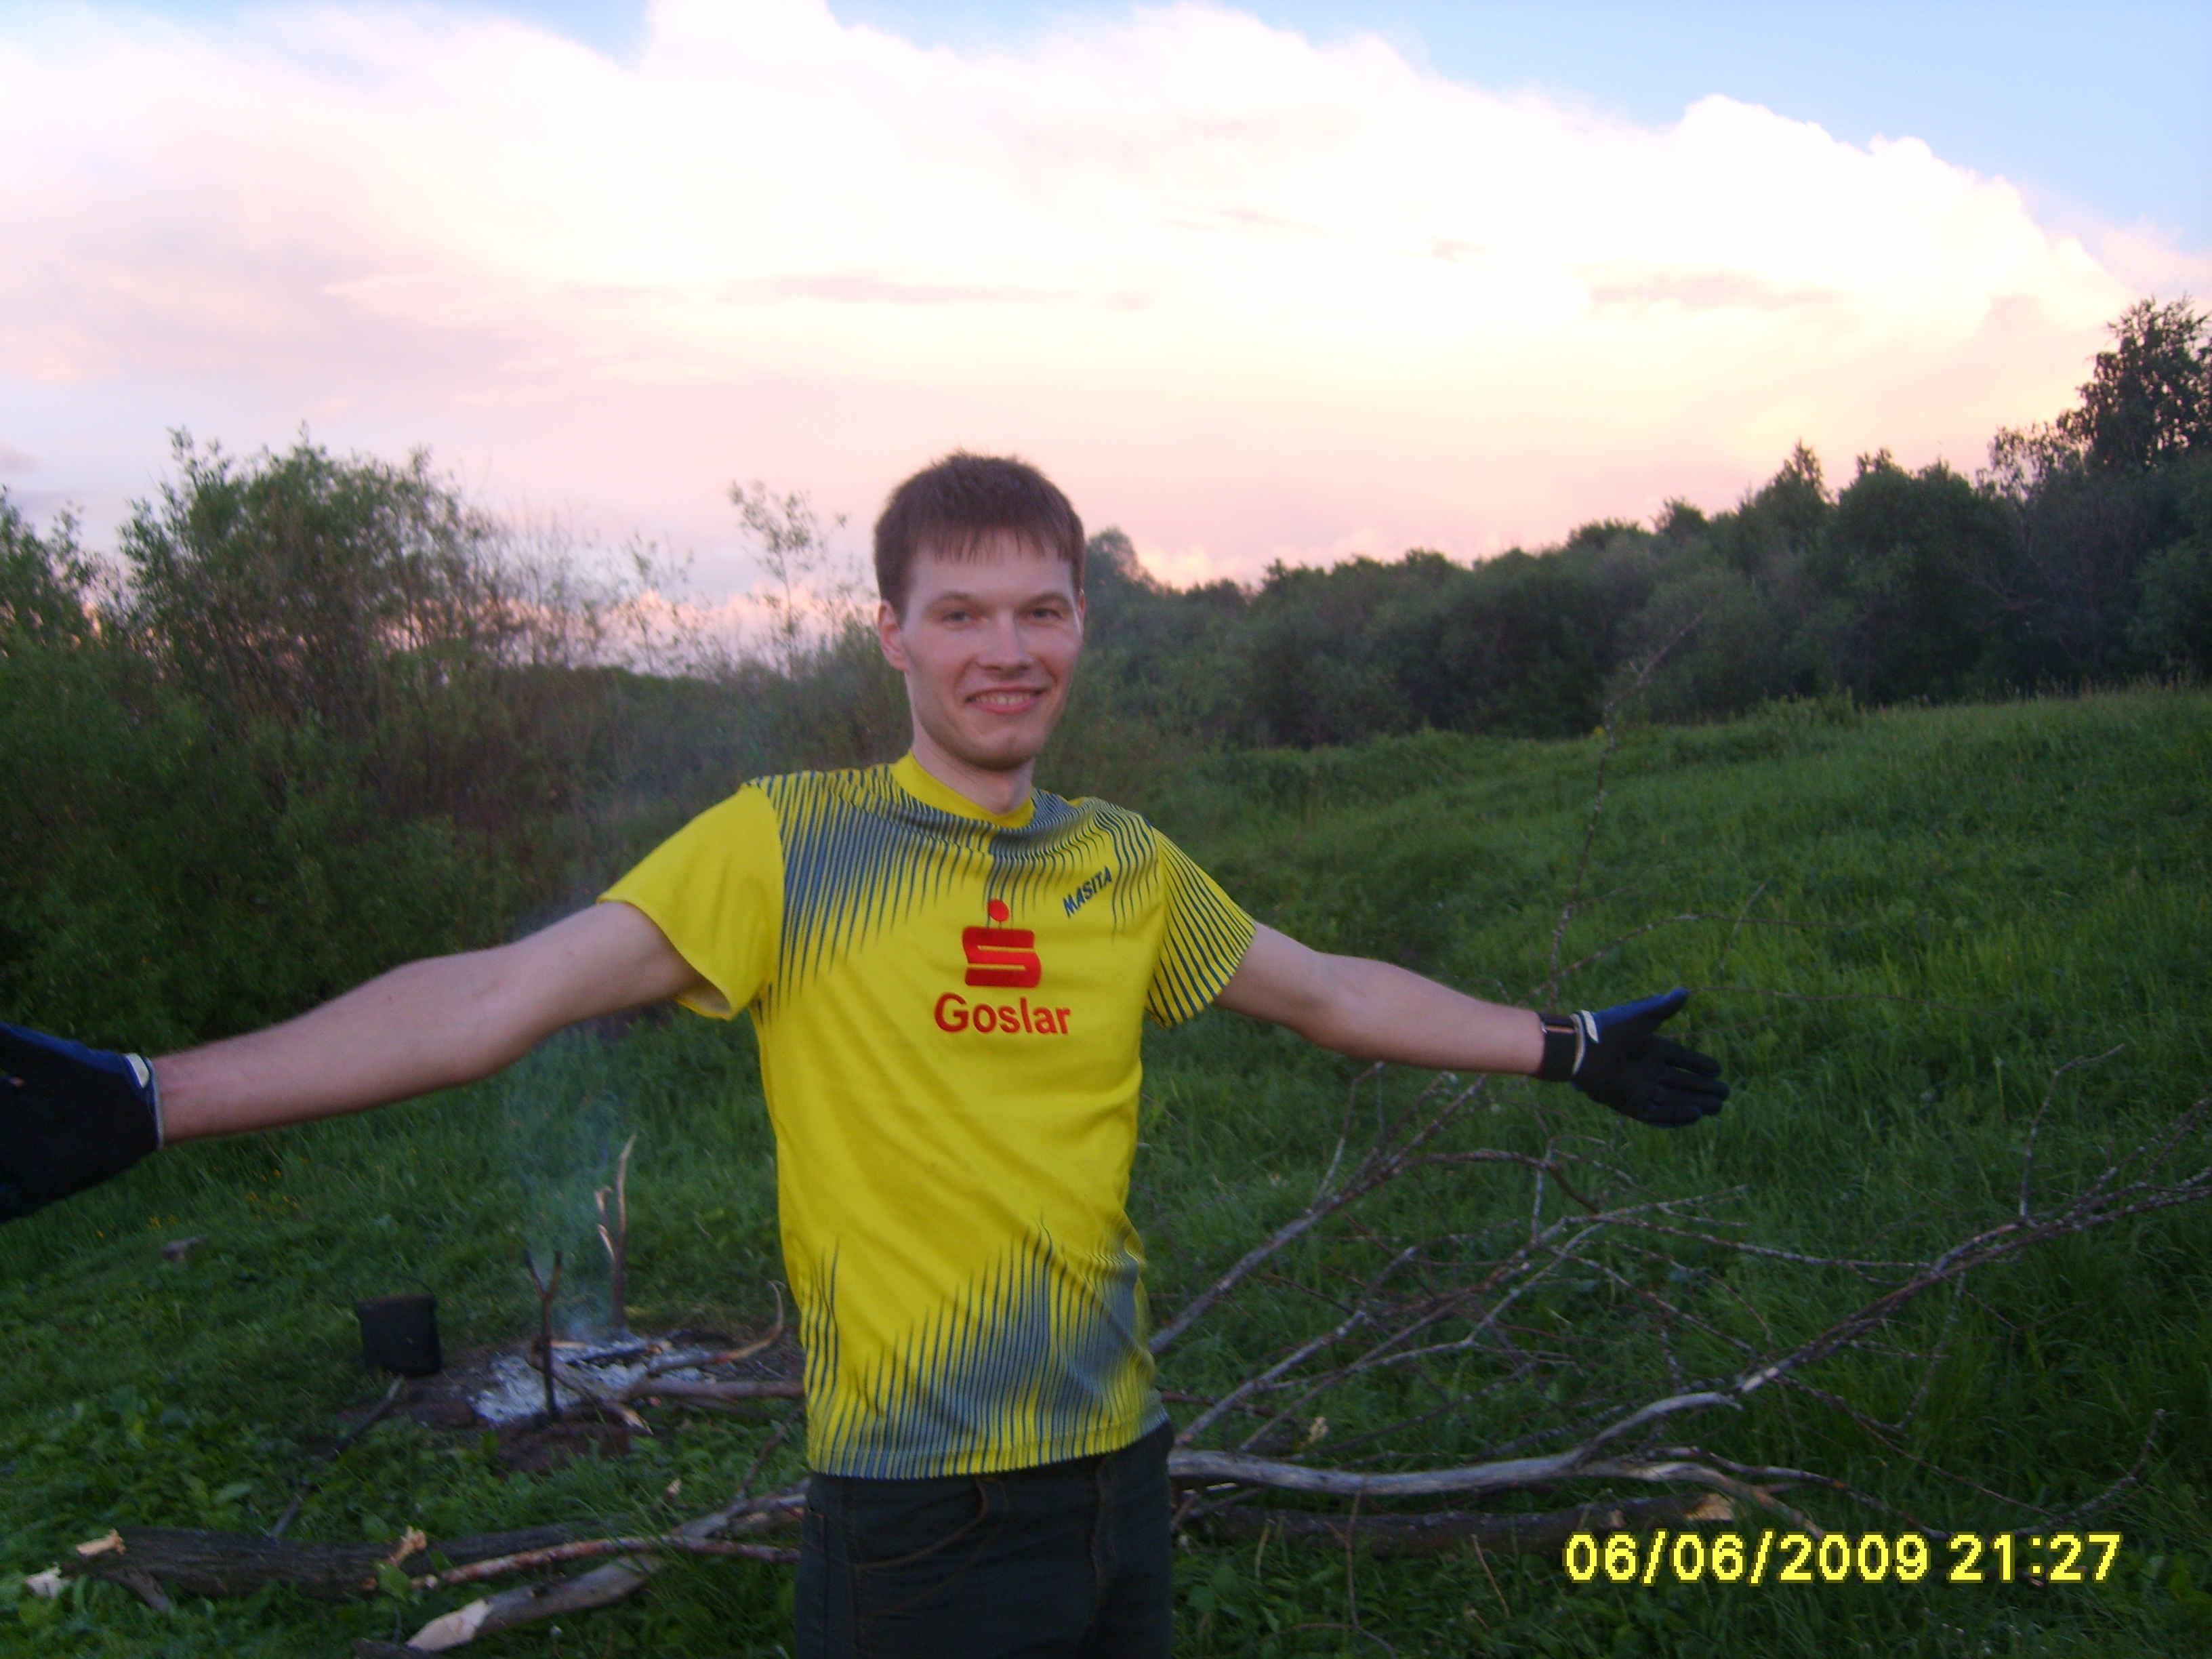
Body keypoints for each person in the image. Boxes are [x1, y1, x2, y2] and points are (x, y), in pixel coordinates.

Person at [0, 453, 1727, 1657]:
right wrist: (160, 1096)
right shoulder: (790, 843)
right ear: (890, 632)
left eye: (1040, 611)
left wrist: (1564, 1046)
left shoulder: (1126, 863)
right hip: (915, 1511)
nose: (1007, 652)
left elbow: (1331, 992)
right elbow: (496, 996)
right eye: (960, 615)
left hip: (1121, 1466)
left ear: (1083, 625)